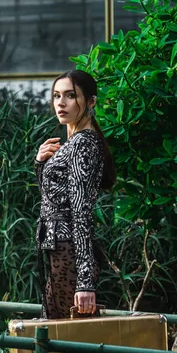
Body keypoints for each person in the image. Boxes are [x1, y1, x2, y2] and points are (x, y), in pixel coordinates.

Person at [34, 69, 116, 319]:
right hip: (59, 249)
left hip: (69, 251)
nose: (61, 102)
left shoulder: (83, 144)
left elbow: (81, 213)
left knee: (66, 338)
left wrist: (85, 283)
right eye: (57, 96)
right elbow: (52, 198)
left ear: (91, 102)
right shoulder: (72, 143)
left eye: (71, 95)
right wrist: (40, 164)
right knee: (57, 332)